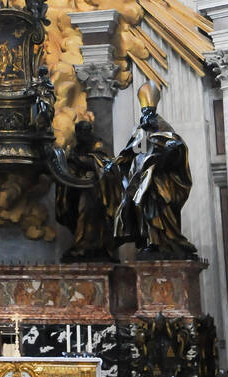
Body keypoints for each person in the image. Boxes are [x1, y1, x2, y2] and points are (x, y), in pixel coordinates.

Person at [115, 85, 197, 257]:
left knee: (159, 209)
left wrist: (170, 150)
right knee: (142, 208)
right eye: (144, 111)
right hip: (142, 179)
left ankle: (165, 241)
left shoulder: (163, 128)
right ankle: (151, 241)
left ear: (154, 112)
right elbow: (135, 152)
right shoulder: (142, 130)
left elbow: (177, 148)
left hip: (160, 180)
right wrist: (118, 162)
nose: (146, 115)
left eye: (149, 112)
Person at [56, 120, 120, 259]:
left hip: (97, 191)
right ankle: (82, 244)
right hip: (79, 188)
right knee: (77, 212)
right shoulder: (78, 147)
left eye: (84, 132)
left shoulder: (99, 145)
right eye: (78, 133)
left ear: (89, 132)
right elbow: (70, 167)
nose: (81, 136)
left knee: (87, 213)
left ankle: (88, 245)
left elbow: (102, 164)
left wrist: (77, 159)